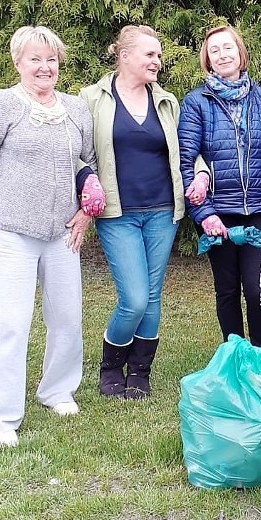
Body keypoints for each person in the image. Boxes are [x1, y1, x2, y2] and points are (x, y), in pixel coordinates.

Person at [0, 25, 102, 448]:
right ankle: (0, 417)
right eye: (35, 59)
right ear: (18, 63)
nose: (45, 67)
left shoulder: (76, 108)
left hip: (63, 235)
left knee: (67, 317)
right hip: (11, 232)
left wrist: (85, 213)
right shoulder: (1, 104)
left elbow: (90, 165)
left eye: (51, 60)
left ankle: (57, 390)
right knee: (10, 323)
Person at [79, 25, 183, 399]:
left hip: (162, 211)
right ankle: (110, 366)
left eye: (158, 55)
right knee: (135, 298)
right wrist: (85, 181)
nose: (158, 61)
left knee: (152, 297)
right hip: (117, 212)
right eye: (150, 55)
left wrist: (201, 170)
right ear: (124, 57)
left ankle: (139, 371)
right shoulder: (91, 98)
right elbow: (75, 150)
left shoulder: (167, 101)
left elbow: (185, 150)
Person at [179, 25, 261, 347]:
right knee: (226, 289)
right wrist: (203, 213)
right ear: (207, 61)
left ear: (241, 53)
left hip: (259, 211)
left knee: (257, 290)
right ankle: (234, 356)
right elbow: (187, 160)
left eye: (228, 48)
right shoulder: (196, 102)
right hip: (218, 214)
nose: (222, 55)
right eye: (215, 50)